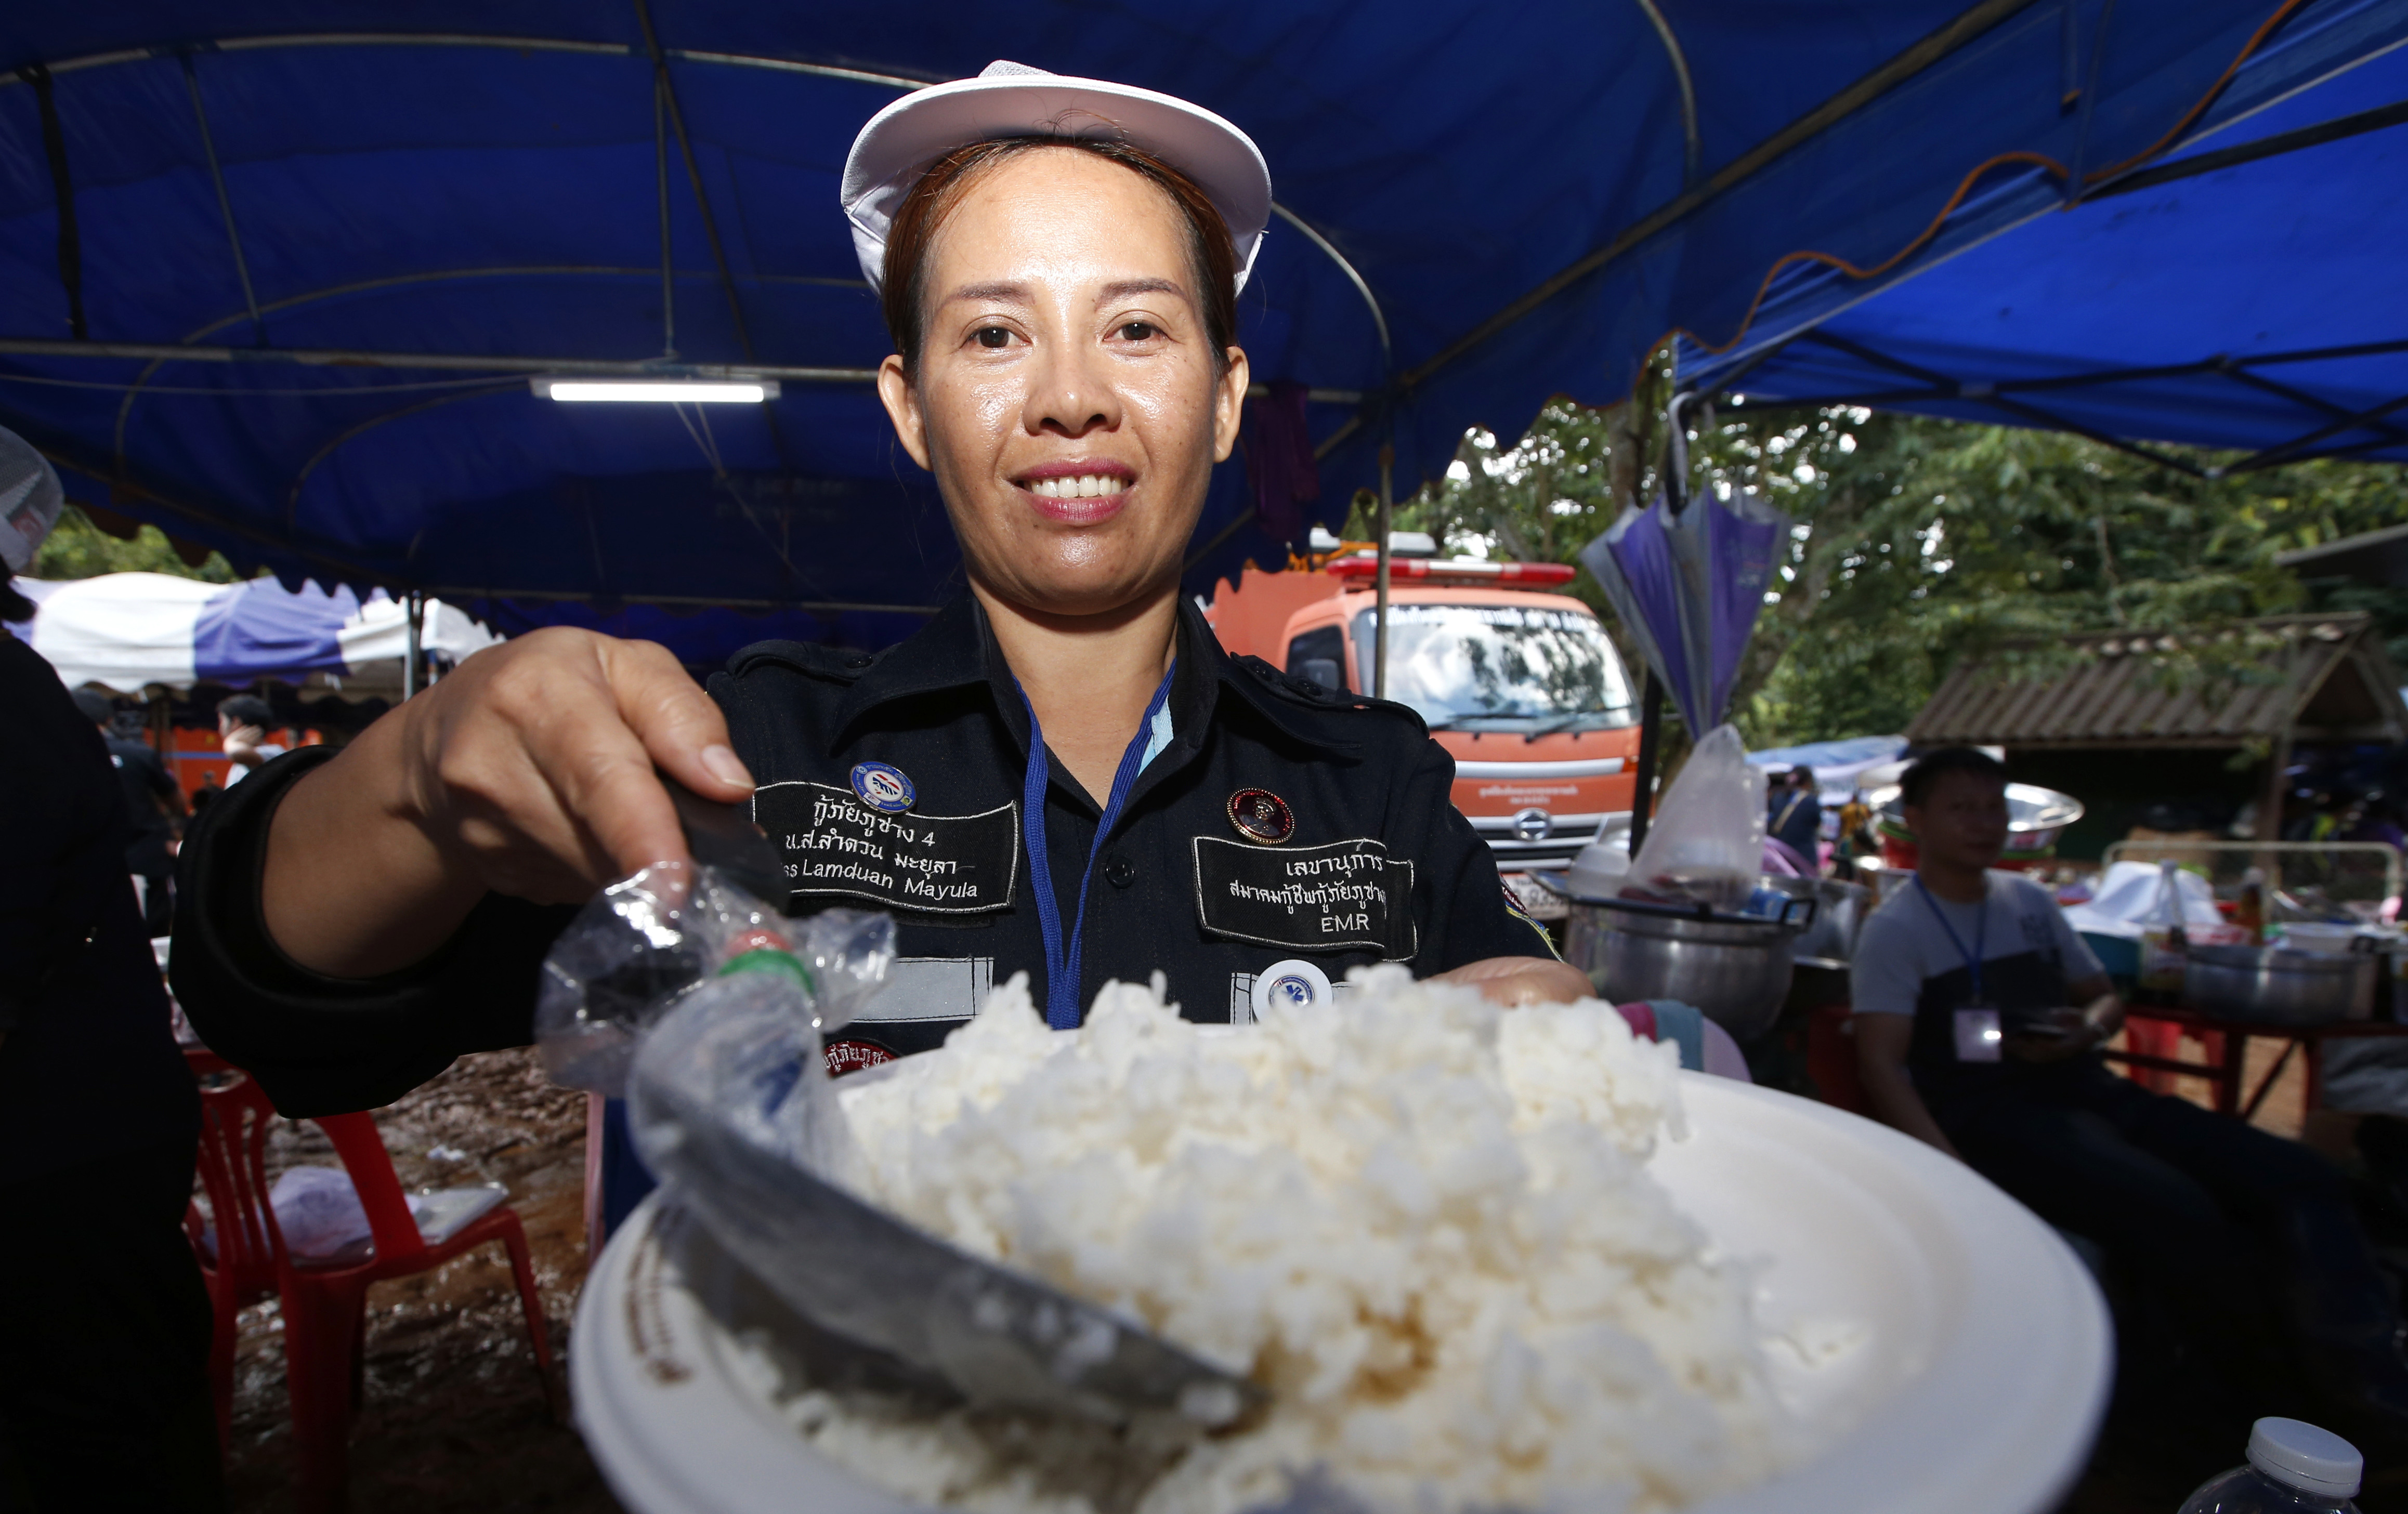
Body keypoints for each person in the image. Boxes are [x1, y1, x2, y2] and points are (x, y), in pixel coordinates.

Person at [172, 63, 1586, 1189]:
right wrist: (413, 786)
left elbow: (1536, 1042)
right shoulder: (752, 760)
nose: (1071, 398)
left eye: (1138, 330)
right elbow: (284, 1006)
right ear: (910, 407)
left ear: (1225, 397)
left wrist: (1557, 1031)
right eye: (994, 335)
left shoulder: (1372, 785)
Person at [1851, 745, 2408, 1431]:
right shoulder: (1896, 930)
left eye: (1994, 806)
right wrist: (1953, 1172)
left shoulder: (2028, 902)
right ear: (1915, 819)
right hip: (1993, 1116)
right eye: (1960, 807)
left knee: (2296, 1176)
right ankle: (2258, 1416)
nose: (1983, 822)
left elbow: (2102, 999)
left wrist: (2082, 1032)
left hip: (2086, 1086)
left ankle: (2372, 1393)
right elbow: (1884, 1064)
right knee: (2183, 1214)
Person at [0, 433, 248, 1514]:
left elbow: (12, 912)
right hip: (43, 1132)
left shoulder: (9, 695)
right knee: (52, 1414)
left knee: (116, 1402)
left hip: (71, 1131)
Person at [72, 687, 186, 938]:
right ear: (110, 720)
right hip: (147, 858)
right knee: (155, 937)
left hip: (90, 863)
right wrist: (176, 830)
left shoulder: (61, 759)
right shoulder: (140, 754)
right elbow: (176, 800)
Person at [213, 693, 283, 787]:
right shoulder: (240, 764)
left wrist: (231, 741)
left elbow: (236, 753)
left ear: (235, 722)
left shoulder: (274, 753)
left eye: (222, 721)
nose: (220, 728)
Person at [1768, 766, 1822, 873]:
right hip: (1803, 860)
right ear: (1807, 782)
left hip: (1780, 859)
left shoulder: (1777, 798)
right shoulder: (1810, 801)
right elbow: (1816, 823)